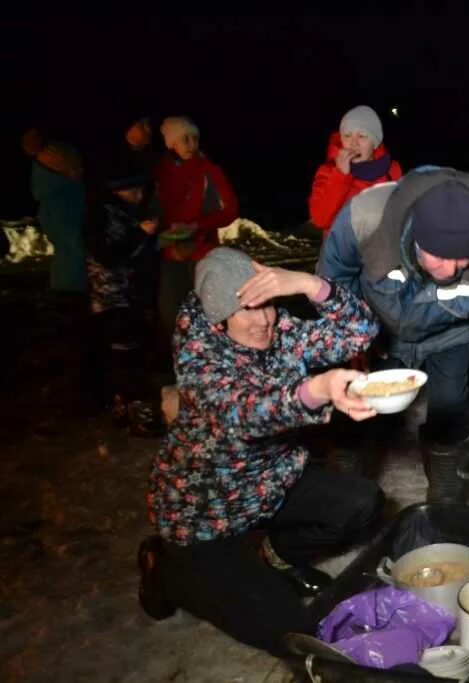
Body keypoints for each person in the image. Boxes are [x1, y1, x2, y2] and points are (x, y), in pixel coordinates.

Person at [139, 247, 382, 656]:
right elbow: (245, 414)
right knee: (293, 632)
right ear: (219, 317)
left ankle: (275, 557)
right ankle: (165, 569)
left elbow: (360, 332)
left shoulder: (280, 329)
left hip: (272, 482)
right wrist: (316, 390)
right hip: (207, 515)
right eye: (248, 310)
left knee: (361, 501)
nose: (264, 320)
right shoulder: (200, 359)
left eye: (268, 304)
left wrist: (310, 284)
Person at [317, 167, 469, 502]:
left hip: (449, 338)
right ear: (417, 235)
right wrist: (351, 345)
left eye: (462, 260)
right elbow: (332, 282)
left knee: (450, 412)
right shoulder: (365, 218)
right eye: (439, 256)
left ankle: (444, 502)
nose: (449, 272)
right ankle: (347, 496)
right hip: (374, 334)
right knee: (353, 417)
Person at [153, 116, 239, 366]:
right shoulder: (160, 173)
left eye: (194, 138)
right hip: (171, 253)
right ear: (171, 144)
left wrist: (198, 226)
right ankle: (180, 364)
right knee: (172, 311)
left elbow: (231, 209)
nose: (191, 144)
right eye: (184, 139)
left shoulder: (209, 170)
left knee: (211, 310)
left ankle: (216, 362)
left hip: (203, 251)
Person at [82, 161, 161, 434]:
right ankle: (138, 417)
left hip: (123, 297)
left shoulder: (117, 211)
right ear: (121, 189)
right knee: (127, 357)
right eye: (135, 188)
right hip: (113, 297)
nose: (141, 193)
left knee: (124, 355)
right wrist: (141, 233)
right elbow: (108, 254)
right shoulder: (106, 214)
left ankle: (123, 410)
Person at [307, 105, 403, 234]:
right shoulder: (328, 171)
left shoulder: (391, 170)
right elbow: (320, 219)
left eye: (362, 136)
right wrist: (340, 175)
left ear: (374, 142)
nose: (353, 143)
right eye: (347, 135)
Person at [23, 131, 88, 294]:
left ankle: (65, 293)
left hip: (60, 210)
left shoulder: (46, 164)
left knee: (67, 253)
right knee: (71, 252)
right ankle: (68, 293)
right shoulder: (53, 158)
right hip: (64, 211)